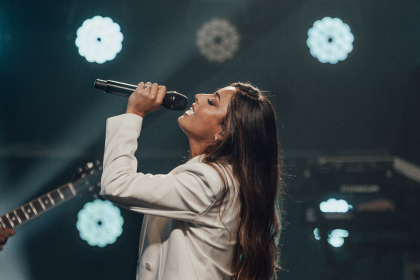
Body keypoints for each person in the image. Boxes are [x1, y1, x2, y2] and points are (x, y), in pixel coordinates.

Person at [101, 81, 283, 280]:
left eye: (212, 102)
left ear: (223, 132)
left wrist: (134, 113)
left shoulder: (211, 182)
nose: (198, 96)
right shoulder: (213, 176)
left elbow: (116, 184)